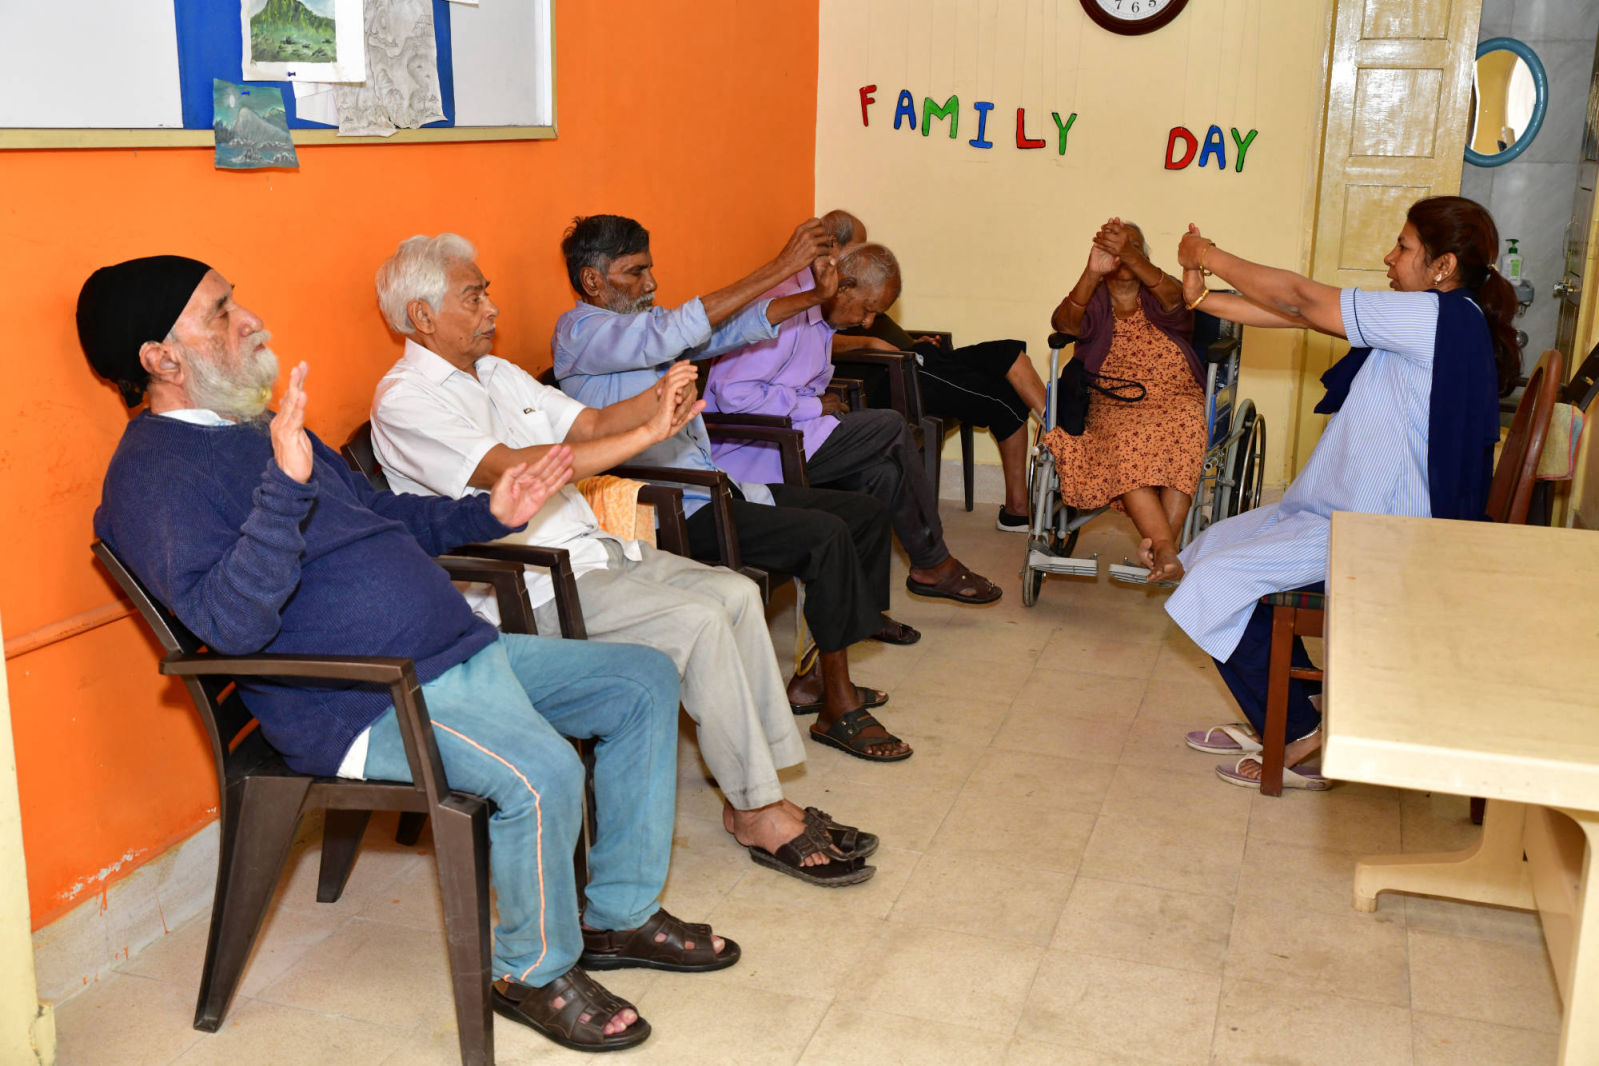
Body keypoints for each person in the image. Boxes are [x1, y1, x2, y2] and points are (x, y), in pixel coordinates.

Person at [80, 255, 738, 1053]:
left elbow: (378, 515)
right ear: (161, 358)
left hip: (455, 654)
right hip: (362, 701)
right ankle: (528, 969)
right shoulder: (151, 478)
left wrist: (486, 512)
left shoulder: (260, 426)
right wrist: (285, 488)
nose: (249, 320)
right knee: (544, 772)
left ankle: (619, 917)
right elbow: (233, 623)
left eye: (236, 302)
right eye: (220, 312)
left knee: (641, 679)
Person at [369, 233, 876, 886]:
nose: (493, 306)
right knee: (696, 621)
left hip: (593, 552)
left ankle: (758, 791)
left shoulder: (493, 372)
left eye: (487, 290)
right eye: (475, 295)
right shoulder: (407, 398)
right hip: (528, 589)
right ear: (422, 316)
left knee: (735, 595)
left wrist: (660, 402)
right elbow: (514, 470)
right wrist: (644, 434)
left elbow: (587, 425)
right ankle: (759, 811)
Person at [1168, 196, 1516, 788]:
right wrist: (1201, 297)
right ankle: (1294, 714)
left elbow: (1303, 298)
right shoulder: (1436, 314)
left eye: (1403, 248)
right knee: (1204, 550)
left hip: (1381, 534)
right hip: (1350, 515)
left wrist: (1210, 254)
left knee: (1214, 580)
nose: (1389, 256)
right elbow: (1300, 314)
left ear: (1442, 265)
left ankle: (1299, 736)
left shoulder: (1437, 317)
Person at [553, 214, 913, 763]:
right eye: (635, 273)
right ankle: (837, 704)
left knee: (862, 513)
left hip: (710, 487)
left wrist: (811, 296)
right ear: (592, 281)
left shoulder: (641, 326)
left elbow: (730, 331)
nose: (651, 284)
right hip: (658, 506)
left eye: (650, 269)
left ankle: (819, 676)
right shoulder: (582, 333)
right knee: (824, 536)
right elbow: (674, 332)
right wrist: (780, 268)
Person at [703, 241, 1003, 606]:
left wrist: (813, 406)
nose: (866, 322)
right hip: (757, 449)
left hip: (798, 437)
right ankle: (935, 563)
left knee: (884, 476)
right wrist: (812, 405)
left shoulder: (820, 317)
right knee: (890, 426)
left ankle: (869, 612)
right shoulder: (784, 313)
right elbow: (733, 395)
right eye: (867, 309)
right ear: (844, 286)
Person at [821, 209, 1048, 531]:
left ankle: (1054, 442)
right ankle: (1025, 498)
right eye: (858, 247)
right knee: (1003, 396)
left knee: (1007, 351)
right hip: (896, 372)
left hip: (919, 355)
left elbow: (874, 327)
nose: (863, 254)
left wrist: (909, 340)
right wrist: (871, 343)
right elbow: (817, 343)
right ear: (833, 244)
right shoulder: (819, 290)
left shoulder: (851, 285)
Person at [1045, 218, 1207, 583]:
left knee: (1189, 423)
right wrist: (1090, 272)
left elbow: (1179, 301)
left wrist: (1131, 256)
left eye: (1130, 247)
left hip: (1176, 395)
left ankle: (1165, 549)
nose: (1120, 253)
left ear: (1141, 257)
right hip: (1115, 405)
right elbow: (1065, 325)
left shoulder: (1160, 294)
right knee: (1127, 440)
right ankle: (1167, 551)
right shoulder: (1097, 298)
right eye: (1113, 248)